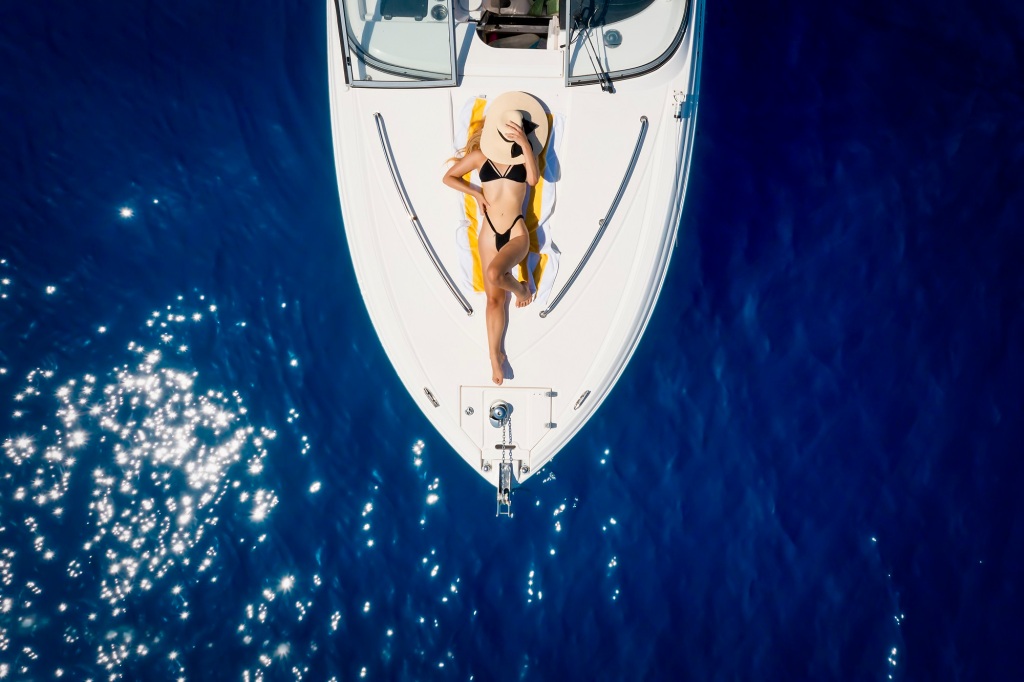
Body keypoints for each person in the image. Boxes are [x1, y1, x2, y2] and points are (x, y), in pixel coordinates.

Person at [443, 92, 550, 385]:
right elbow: (449, 178)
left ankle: (522, 290)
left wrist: (526, 145)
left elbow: (532, 179)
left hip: (515, 230)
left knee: (493, 273)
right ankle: (495, 356)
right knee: (493, 301)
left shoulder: (523, 157)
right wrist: (476, 193)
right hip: (489, 231)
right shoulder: (479, 157)